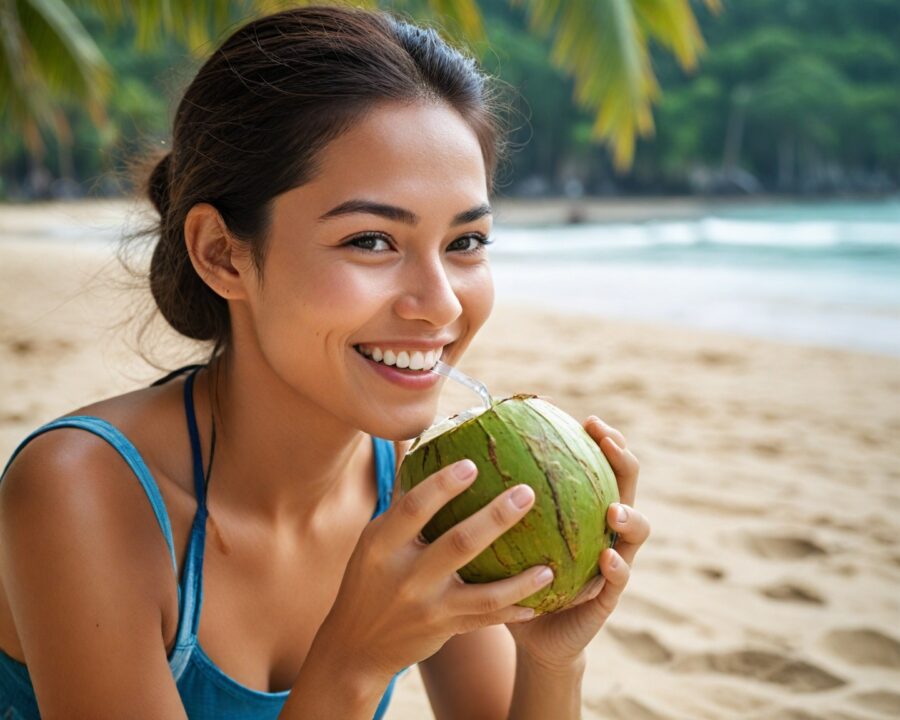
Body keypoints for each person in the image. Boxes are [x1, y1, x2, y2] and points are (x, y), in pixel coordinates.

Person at [0, 5, 649, 719]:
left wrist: (551, 659)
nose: (439, 304)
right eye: (371, 241)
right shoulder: (80, 493)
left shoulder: (420, 488)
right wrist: (353, 662)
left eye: (466, 243)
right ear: (223, 253)